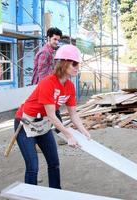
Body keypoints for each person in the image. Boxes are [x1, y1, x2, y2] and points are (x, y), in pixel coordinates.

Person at [14, 44, 91, 189]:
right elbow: (52, 115)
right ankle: (30, 196)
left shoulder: (70, 86)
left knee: (54, 162)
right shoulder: (48, 83)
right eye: (74, 63)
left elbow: (73, 113)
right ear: (64, 63)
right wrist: (69, 136)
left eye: (78, 64)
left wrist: (83, 131)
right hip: (25, 124)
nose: (77, 67)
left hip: (43, 124)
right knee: (33, 166)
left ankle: (56, 193)